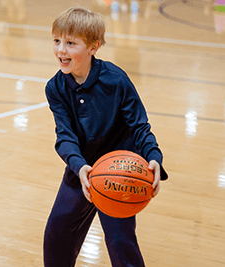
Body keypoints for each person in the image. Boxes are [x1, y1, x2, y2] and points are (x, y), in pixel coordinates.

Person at [43, 6, 168, 267]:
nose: (61, 50)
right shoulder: (55, 87)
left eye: (70, 43)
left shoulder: (116, 80)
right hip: (82, 171)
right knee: (56, 236)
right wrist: (79, 167)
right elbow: (64, 137)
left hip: (119, 173)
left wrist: (154, 157)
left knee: (121, 243)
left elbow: (140, 127)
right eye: (57, 41)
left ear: (94, 46)